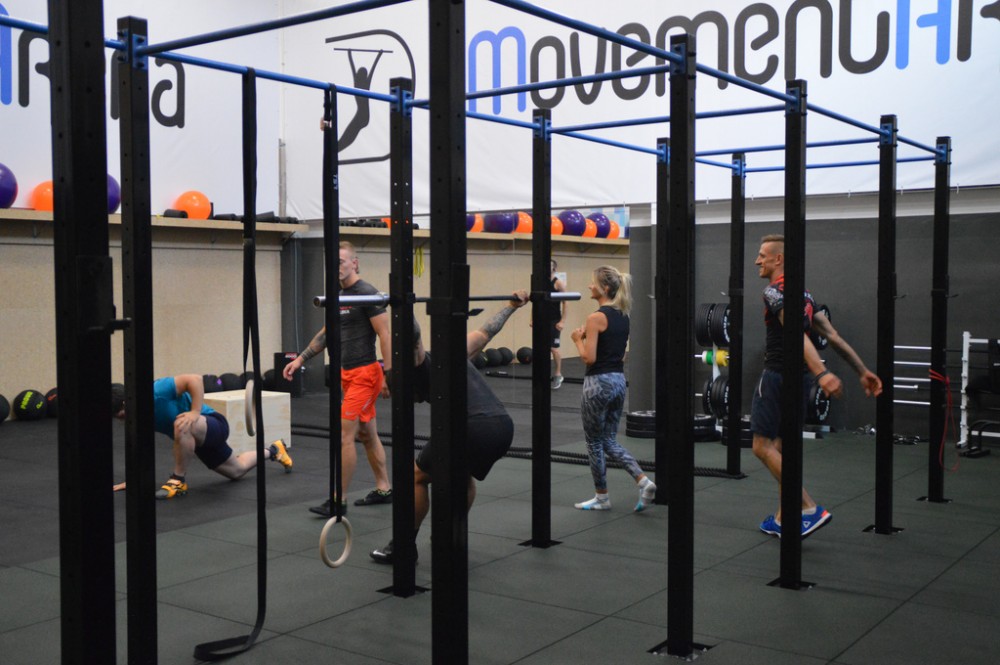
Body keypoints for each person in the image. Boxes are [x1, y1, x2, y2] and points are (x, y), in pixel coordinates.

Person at [369, 291, 529, 564]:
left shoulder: (418, 365)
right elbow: (486, 332)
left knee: (417, 476)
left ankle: (404, 546)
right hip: (503, 427)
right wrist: (511, 306)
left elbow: (414, 337)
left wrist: (402, 306)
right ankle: (450, 537)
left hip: (472, 427)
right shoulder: (454, 352)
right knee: (464, 476)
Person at [751, 234, 883, 538]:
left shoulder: (774, 291)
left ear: (778, 259)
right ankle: (783, 518)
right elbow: (833, 337)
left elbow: (796, 334)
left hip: (777, 378)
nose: (757, 261)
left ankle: (808, 507)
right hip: (800, 382)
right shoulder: (806, 296)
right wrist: (862, 371)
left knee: (761, 447)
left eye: (762, 256)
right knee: (780, 449)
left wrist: (822, 373)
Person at [282, 240, 393, 516]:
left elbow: (385, 334)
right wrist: (300, 359)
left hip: (365, 374)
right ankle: (384, 488)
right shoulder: (338, 295)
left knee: (345, 435)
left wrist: (390, 374)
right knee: (367, 434)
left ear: (354, 263)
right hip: (347, 374)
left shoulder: (366, 293)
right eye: (333, 263)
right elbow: (326, 333)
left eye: (341, 262)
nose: (337, 267)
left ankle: (338, 500)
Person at [111, 376, 293, 499]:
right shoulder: (136, 418)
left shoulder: (156, 390)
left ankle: (178, 480)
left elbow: (195, 379)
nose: (122, 420)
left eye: (121, 415)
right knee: (237, 470)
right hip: (194, 438)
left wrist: (195, 412)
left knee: (181, 422)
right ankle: (274, 450)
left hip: (213, 424)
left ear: (126, 402)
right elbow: (142, 446)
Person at [570, 266, 656, 512]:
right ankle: (644, 481)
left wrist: (577, 340)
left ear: (605, 288)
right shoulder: (623, 315)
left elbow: (589, 358)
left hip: (598, 383)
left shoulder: (596, 318)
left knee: (594, 443)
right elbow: (618, 352)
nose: (590, 286)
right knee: (608, 439)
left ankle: (602, 497)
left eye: (593, 283)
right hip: (618, 381)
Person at [532, 259, 568, 389]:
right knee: (541, 348)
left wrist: (562, 321)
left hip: (554, 320)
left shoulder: (558, 283)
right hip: (542, 319)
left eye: (550, 266)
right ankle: (542, 375)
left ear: (554, 268)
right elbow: (536, 301)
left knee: (554, 348)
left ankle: (558, 374)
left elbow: (565, 302)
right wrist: (532, 318)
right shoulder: (540, 283)